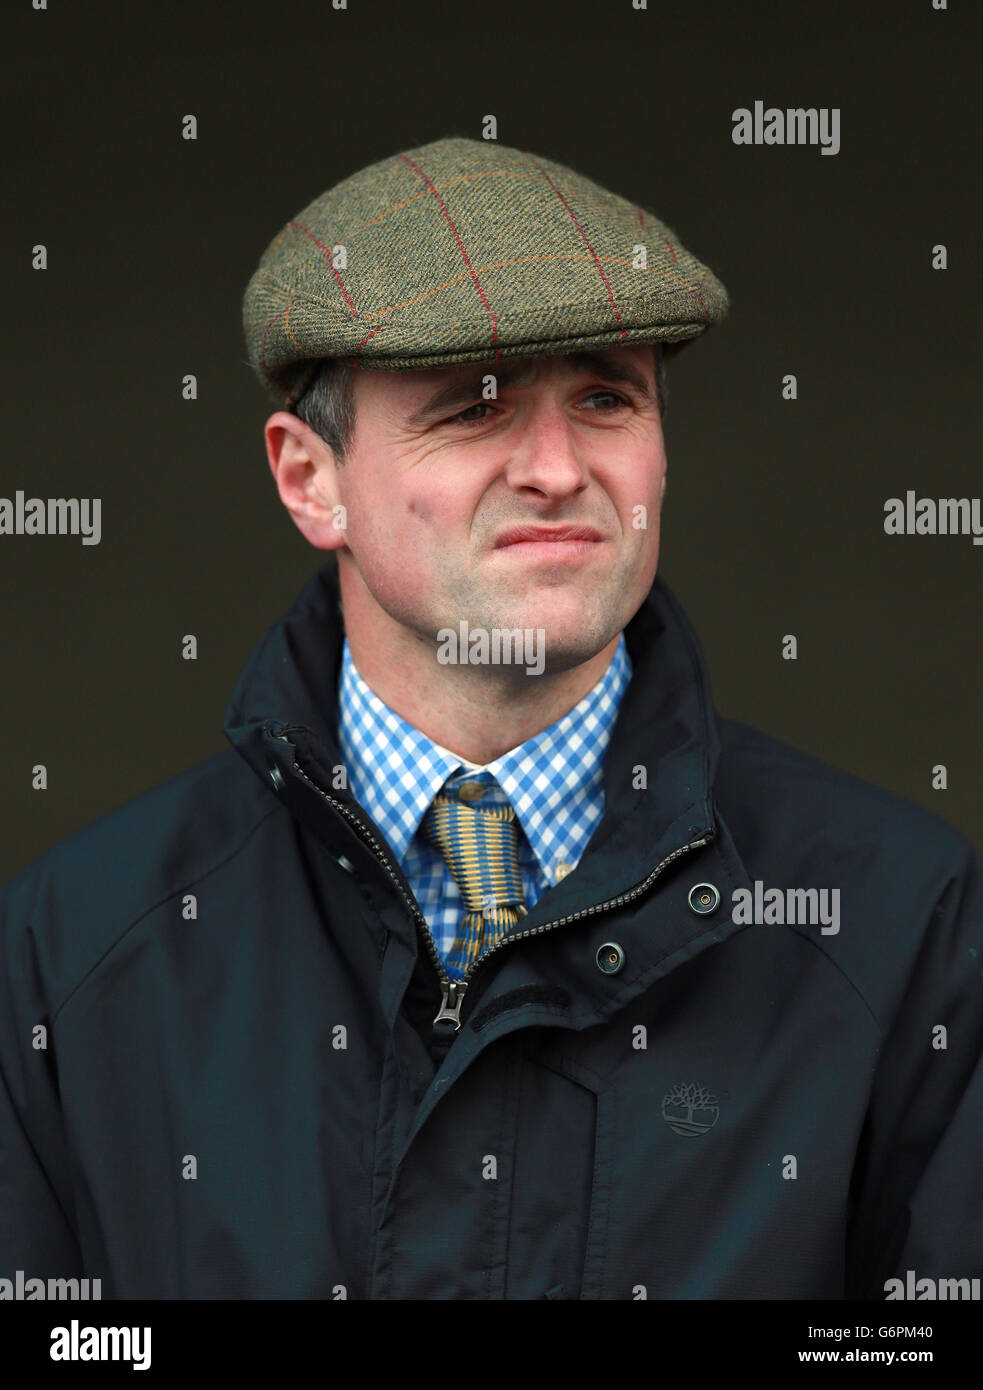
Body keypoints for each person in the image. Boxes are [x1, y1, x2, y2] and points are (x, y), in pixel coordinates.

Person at [2, 135, 981, 1301]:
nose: (558, 467)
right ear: (309, 479)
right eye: (473, 408)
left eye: (606, 398)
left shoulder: (902, 921)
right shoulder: (75, 950)